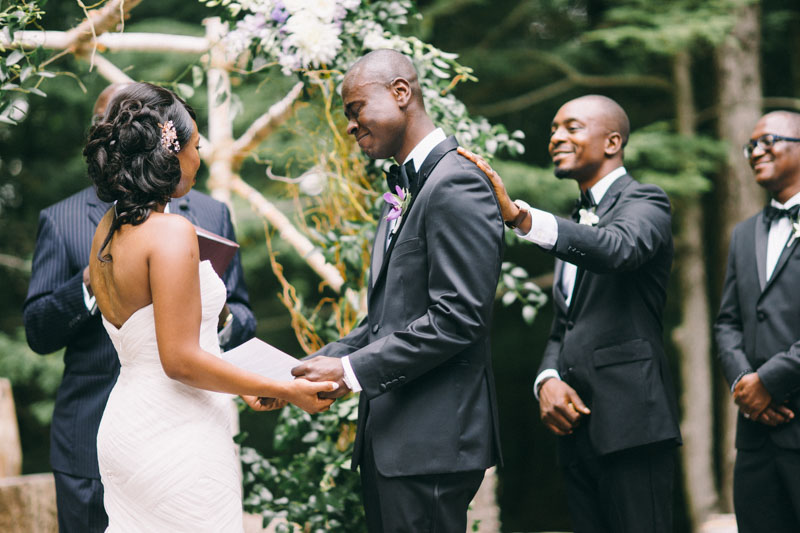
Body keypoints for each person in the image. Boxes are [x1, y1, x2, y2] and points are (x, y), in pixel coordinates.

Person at [79, 82, 337, 530]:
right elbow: (179, 360)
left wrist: (242, 383)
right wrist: (285, 389)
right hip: (176, 435)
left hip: (128, 424)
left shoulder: (106, 229)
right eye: (196, 145)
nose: (201, 156)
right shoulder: (171, 232)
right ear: (170, 152)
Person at [22, 83, 258, 532]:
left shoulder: (209, 214)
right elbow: (37, 330)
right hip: (89, 436)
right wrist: (91, 283)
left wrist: (213, 316)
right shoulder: (66, 219)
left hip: (185, 422)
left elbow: (238, 315)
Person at [290, 49, 504, 533]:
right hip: (394, 442)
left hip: (431, 444)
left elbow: (458, 317)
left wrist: (350, 371)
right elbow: (388, 320)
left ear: (401, 93)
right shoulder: (405, 192)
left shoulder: (456, 183)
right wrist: (303, 372)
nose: (350, 125)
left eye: (356, 109)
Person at [460, 95, 682, 533]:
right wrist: (547, 378)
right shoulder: (572, 222)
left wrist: (523, 218)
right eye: (554, 130)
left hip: (633, 425)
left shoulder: (647, 201)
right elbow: (566, 323)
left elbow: (621, 249)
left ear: (613, 141)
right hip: (576, 430)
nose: (557, 137)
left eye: (572, 128)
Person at [715, 110, 800, 533]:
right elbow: (727, 323)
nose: (755, 152)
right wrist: (744, 383)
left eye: (768, 140)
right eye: (751, 145)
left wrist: (771, 380)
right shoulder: (743, 234)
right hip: (754, 441)